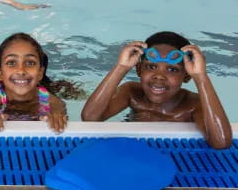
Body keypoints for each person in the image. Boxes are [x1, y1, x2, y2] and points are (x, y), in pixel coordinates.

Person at [81, 31, 232, 149]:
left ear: (186, 76)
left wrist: (200, 76)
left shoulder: (194, 104)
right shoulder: (131, 93)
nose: (159, 76)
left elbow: (221, 142)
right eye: (151, 67)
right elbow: (90, 118)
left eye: (172, 70)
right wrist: (121, 67)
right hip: (132, 151)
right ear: (139, 70)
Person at [0, 33, 67, 133]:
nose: (21, 71)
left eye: (30, 63)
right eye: (11, 63)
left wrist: (57, 117)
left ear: (40, 73)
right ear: (0, 73)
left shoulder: (52, 102)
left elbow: (60, 121)